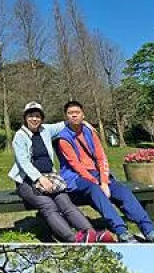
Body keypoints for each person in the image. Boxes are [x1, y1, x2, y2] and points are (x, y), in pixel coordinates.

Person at [55, 100, 154, 243]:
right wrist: (97, 183)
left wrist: (104, 181)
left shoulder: (90, 132)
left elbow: (101, 157)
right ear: (66, 116)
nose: (74, 116)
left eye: (77, 112)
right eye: (70, 113)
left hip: (97, 174)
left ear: (83, 115)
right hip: (76, 177)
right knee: (94, 189)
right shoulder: (63, 138)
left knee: (122, 191)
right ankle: (121, 231)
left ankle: (150, 231)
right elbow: (76, 165)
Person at [8, 101, 113, 243]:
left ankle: (91, 235)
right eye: (31, 116)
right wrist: (39, 179)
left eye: (37, 116)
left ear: (42, 118)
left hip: (50, 177)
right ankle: (73, 239)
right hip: (27, 181)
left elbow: (65, 123)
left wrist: (84, 123)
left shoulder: (45, 130)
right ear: (25, 118)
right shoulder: (20, 136)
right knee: (48, 205)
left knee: (66, 203)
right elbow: (23, 162)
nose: (34, 119)